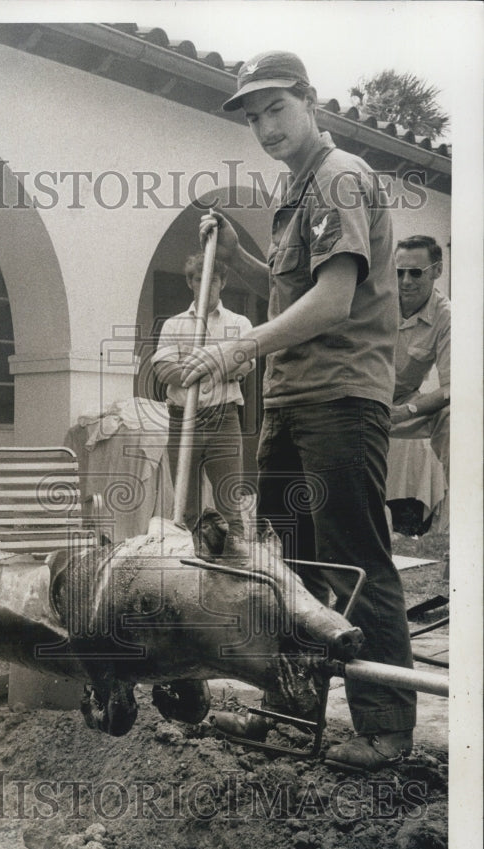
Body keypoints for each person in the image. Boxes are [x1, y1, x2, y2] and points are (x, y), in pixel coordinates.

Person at [186, 50, 415, 771]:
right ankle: (291, 713)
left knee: (353, 561)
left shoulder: (340, 177)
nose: (263, 126)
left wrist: (237, 349)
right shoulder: (296, 190)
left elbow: (334, 299)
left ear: (309, 101)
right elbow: (290, 292)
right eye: (251, 117)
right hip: (288, 402)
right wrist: (239, 255)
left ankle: (382, 728)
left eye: (274, 109)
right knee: (291, 568)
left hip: (340, 399)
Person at [152, 253, 252, 541]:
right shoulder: (174, 325)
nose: (206, 284)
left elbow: (245, 364)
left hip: (224, 419)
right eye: (199, 279)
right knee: (188, 510)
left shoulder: (238, 323)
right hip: (183, 421)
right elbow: (163, 370)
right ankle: (198, 572)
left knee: (230, 507)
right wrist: (220, 365)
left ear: (222, 283)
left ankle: (235, 571)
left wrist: (197, 365)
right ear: (190, 282)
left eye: (213, 279)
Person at [389, 235, 450, 488]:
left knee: (454, 416)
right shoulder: (376, 299)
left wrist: (405, 411)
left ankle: (463, 510)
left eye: (415, 273)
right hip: (361, 395)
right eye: (399, 272)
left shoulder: (447, 317)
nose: (405, 282)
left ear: (437, 271)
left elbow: (451, 388)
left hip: (403, 402)